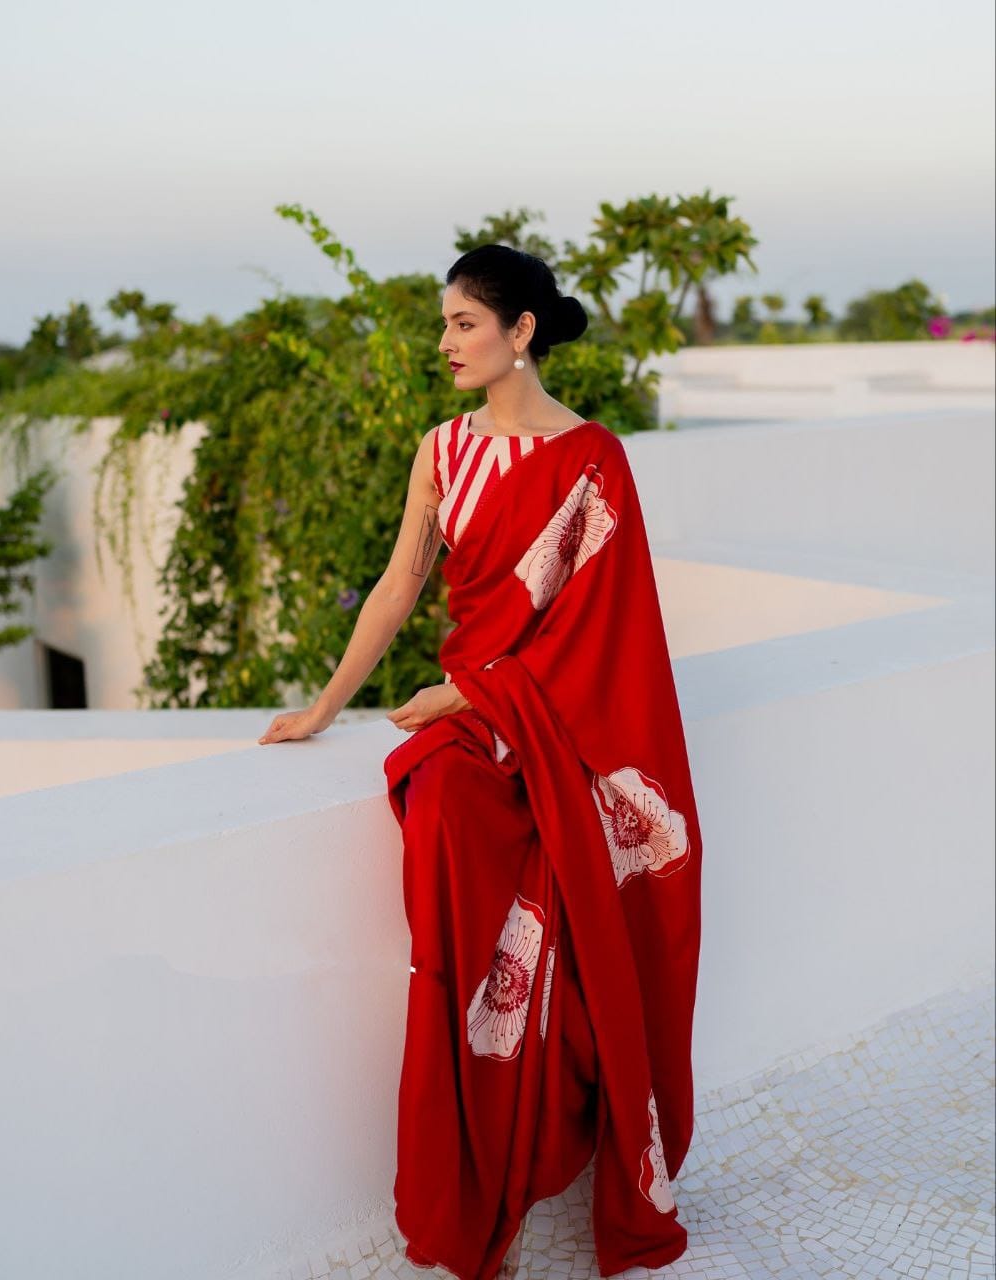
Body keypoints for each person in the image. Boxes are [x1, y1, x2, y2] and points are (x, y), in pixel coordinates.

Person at [258, 245, 703, 1279]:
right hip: (471, 728)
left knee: (577, 899)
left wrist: (476, 690)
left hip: (554, 723)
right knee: (447, 813)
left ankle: (568, 1115)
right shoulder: (442, 450)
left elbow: (608, 636)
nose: (446, 341)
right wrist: (327, 703)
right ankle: (478, 1159)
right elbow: (397, 587)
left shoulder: (594, 459)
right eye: (446, 323)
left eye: (464, 322)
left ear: (522, 332)